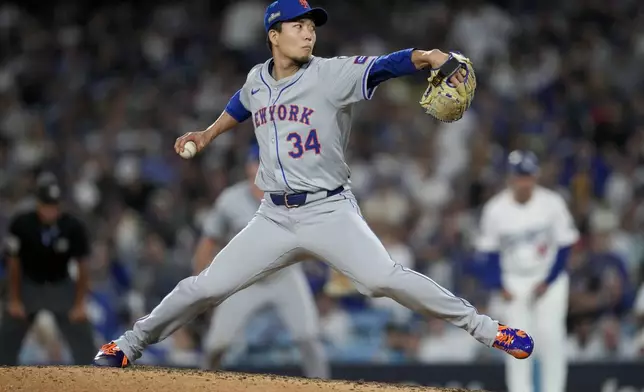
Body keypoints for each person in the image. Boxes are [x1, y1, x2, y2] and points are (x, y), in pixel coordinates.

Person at [93, 0, 534, 368]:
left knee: (382, 279)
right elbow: (243, 102)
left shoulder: (330, 74)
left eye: (311, 26)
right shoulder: (256, 78)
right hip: (273, 216)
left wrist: (429, 56)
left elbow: (384, 66)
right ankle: (128, 345)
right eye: (298, 26)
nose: (309, 34)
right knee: (204, 287)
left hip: (329, 210)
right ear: (273, 34)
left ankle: (489, 330)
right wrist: (207, 134)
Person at [195, 145, 329, 378]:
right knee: (216, 344)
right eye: (256, 163)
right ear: (248, 168)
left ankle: (324, 386)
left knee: (308, 337)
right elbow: (207, 243)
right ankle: (201, 384)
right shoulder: (231, 200)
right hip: (244, 282)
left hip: (285, 278)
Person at [475, 150, 579, 392]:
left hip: (548, 279)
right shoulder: (495, 209)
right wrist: (499, 285)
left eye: (528, 176)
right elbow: (489, 253)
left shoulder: (552, 203)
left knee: (551, 338)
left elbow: (565, 245)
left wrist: (549, 280)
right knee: (514, 344)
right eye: (519, 176)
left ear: (535, 176)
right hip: (513, 281)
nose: (524, 182)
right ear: (510, 178)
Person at [0, 172, 96, 365]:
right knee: (9, 330)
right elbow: (14, 263)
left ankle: (93, 373)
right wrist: (15, 299)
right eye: (46, 206)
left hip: (60, 285)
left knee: (82, 332)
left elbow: (83, 266)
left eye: (54, 206)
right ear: (38, 204)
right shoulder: (22, 224)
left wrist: (79, 303)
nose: (50, 212)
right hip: (29, 285)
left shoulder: (73, 226)